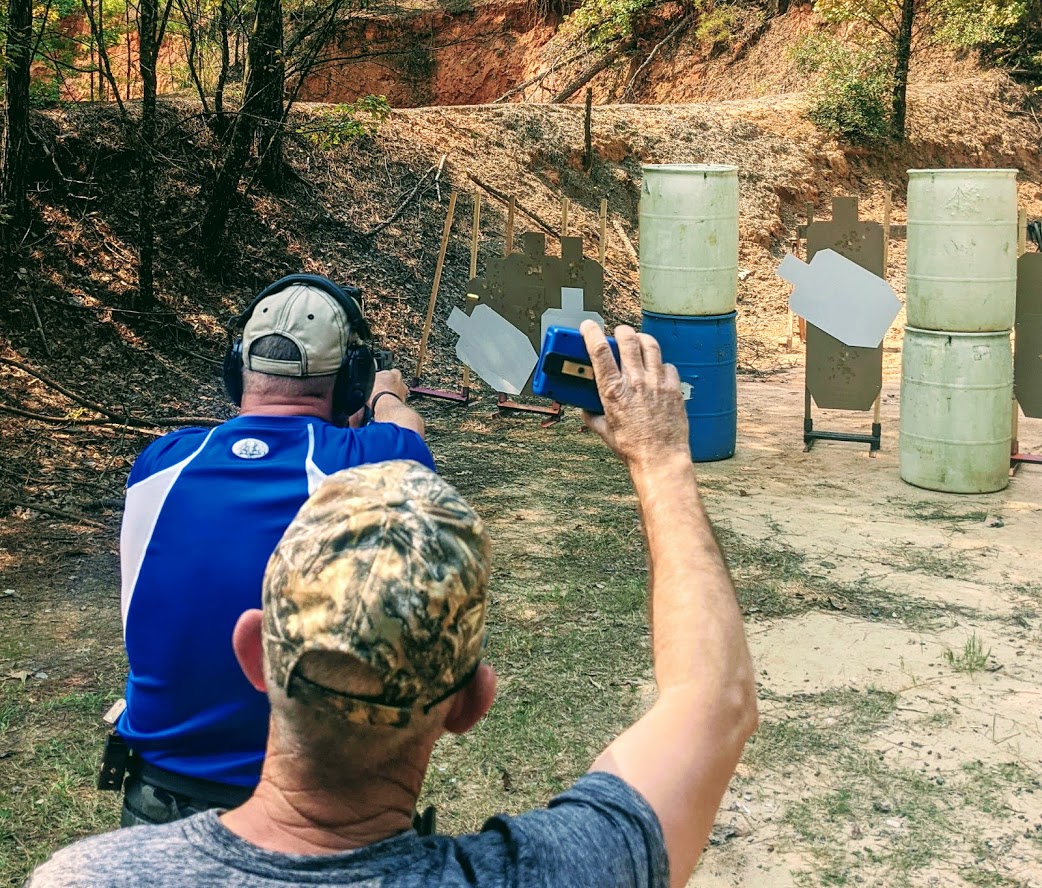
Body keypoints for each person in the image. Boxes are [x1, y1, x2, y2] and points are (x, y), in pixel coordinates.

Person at [31, 322, 758, 888]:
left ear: (254, 653)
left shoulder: (87, 877)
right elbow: (713, 701)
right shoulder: (558, 871)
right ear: (472, 702)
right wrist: (661, 459)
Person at [110, 274, 434, 828]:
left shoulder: (160, 463)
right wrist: (385, 394)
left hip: (157, 805)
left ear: (237, 370)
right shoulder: (378, 458)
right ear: (350, 381)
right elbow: (408, 431)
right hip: (300, 810)